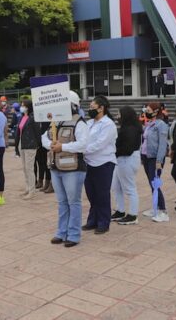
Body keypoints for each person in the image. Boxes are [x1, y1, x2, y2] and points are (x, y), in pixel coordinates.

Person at [42, 90, 88, 247]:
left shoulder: (79, 122)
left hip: (73, 169)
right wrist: (51, 145)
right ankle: (61, 232)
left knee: (73, 202)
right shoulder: (55, 122)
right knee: (62, 202)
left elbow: (83, 144)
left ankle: (73, 234)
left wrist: (63, 146)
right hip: (56, 167)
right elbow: (44, 137)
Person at [82, 95, 117, 234]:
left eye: (93, 107)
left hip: (104, 163)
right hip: (89, 163)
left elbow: (100, 144)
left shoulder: (108, 124)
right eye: (90, 107)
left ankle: (103, 222)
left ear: (101, 108)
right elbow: (84, 139)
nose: (90, 109)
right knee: (91, 193)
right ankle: (92, 221)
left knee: (102, 194)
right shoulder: (89, 123)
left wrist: (82, 150)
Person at [111, 106, 142, 225]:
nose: (117, 117)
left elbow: (127, 149)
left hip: (127, 159)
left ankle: (133, 215)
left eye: (119, 114)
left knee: (130, 188)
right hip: (123, 159)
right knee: (116, 186)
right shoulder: (130, 127)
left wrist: (114, 151)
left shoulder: (129, 129)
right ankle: (120, 210)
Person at [140, 102, 170, 223]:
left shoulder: (161, 125)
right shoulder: (148, 124)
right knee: (151, 182)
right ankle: (156, 207)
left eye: (148, 110)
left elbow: (162, 144)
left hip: (154, 158)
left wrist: (159, 160)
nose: (145, 111)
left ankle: (163, 210)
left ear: (156, 111)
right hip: (146, 157)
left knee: (155, 183)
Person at [17, 100, 42, 200]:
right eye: (21, 105)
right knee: (24, 168)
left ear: (28, 107)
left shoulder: (33, 117)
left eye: (24, 105)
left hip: (30, 145)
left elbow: (37, 132)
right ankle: (27, 188)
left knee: (29, 168)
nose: (22, 107)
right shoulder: (22, 117)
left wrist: (38, 144)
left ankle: (32, 191)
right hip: (22, 144)